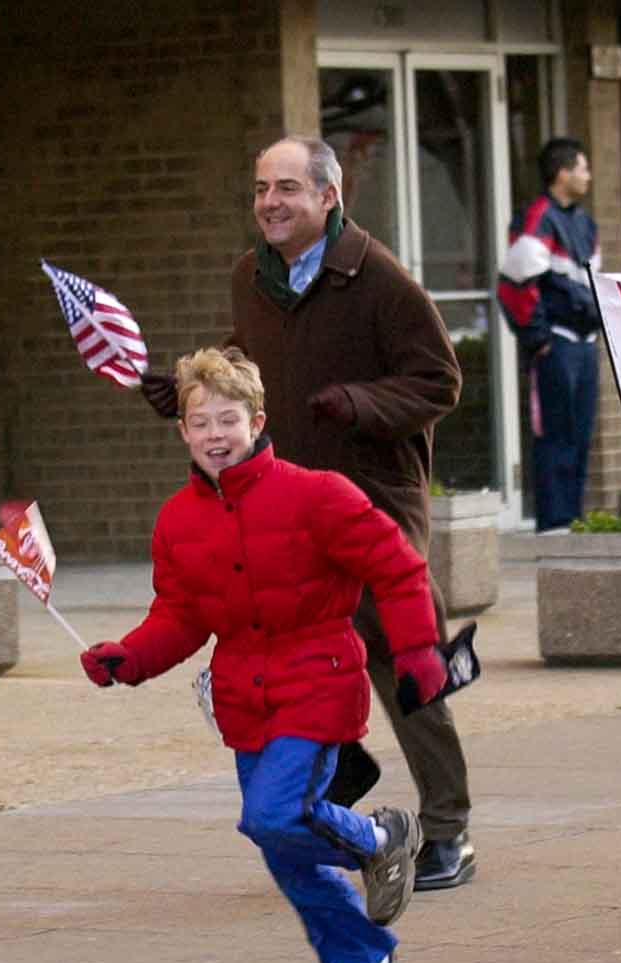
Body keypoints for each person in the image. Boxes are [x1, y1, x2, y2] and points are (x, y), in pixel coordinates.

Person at [140, 136, 478, 891]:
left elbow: (439, 379)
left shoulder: (377, 278)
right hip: (280, 503)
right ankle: (344, 766)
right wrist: (194, 389)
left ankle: (448, 827)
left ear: (329, 196)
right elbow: (249, 363)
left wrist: (359, 403)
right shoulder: (250, 278)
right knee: (289, 644)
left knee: (397, 654)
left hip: (372, 496)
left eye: (288, 188)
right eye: (262, 188)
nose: (271, 202)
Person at [83, 347, 449, 963]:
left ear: (257, 421)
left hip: (319, 679)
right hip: (245, 698)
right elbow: (180, 616)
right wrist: (128, 657)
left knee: (273, 816)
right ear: (183, 432)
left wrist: (420, 649)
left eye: (228, 419)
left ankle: (378, 839)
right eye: (201, 422)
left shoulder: (318, 495)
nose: (215, 435)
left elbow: (397, 568)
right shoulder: (176, 520)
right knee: (283, 848)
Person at [498, 137, 602, 534]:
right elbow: (514, 283)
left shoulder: (585, 224)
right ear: (562, 173)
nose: (588, 175)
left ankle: (572, 520)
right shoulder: (539, 216)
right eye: (582, 167)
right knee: (555, 435)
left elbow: (592, 285)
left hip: (584, 344)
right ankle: (555, 524)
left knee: (579, 435)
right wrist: (538, 338)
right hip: (556, 343)